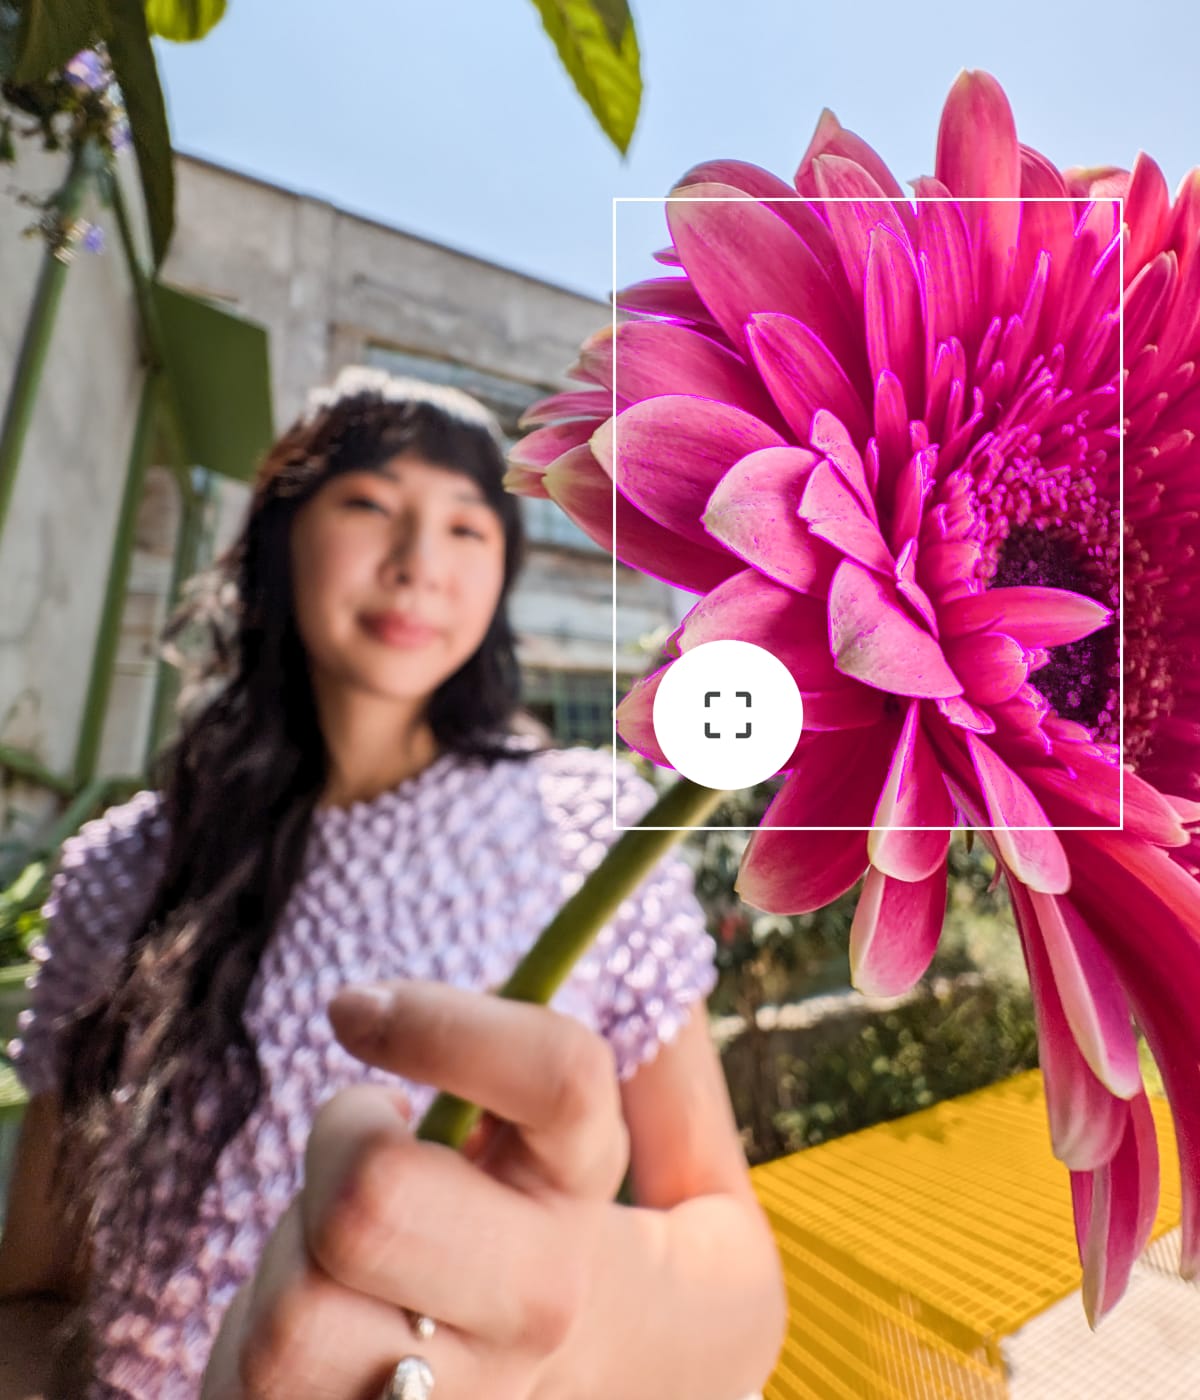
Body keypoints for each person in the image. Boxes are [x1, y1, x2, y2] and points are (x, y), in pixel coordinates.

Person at [0, 367, 787, 1400]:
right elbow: (35, 1291)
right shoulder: (122, 863)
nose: (420, 563)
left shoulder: (585, 826)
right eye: (371, 505)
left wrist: (537, 1322)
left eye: (468, 527)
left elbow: (732, 1273)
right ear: (281, 533)